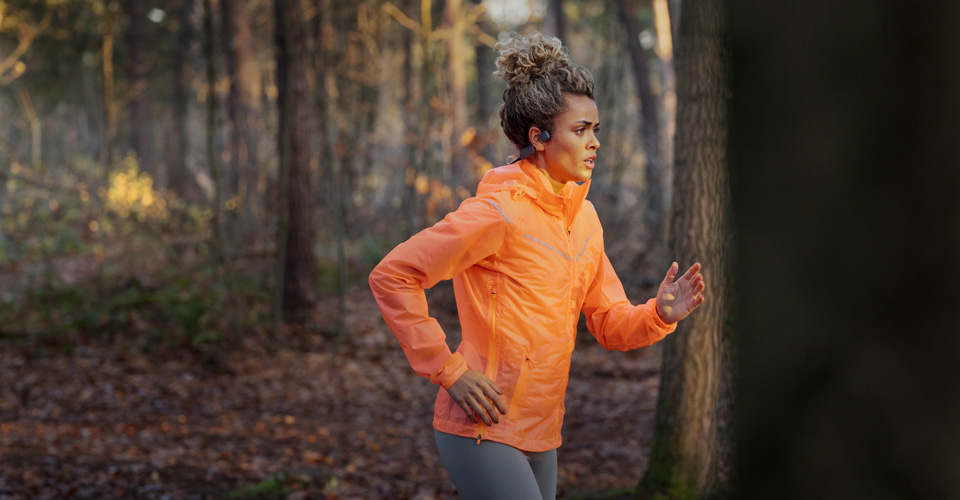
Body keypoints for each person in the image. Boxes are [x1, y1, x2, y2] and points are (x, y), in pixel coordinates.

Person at [369, 33, 705, 500]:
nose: (595, 143)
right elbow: (393, 274)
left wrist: (658, 315)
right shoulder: (499, 213)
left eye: (596, 129)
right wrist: (449, 371)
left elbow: (607, 322)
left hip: (542, 433)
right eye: (581, 129)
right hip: (482, 426)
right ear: (539, 137)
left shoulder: (584, 219)